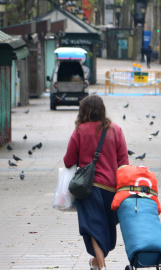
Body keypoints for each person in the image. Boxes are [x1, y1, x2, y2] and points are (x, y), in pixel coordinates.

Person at [64, 95, 129, 270]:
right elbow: (124, 164)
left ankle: (100, 265)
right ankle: (98, 264)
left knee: (93, 227)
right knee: (104, 228)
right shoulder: (116, 130)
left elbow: (68, 161)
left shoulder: (80, 131)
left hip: (88, 188)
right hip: (111, 188)